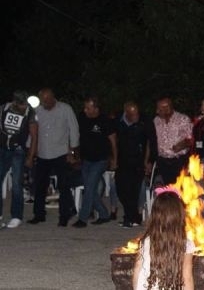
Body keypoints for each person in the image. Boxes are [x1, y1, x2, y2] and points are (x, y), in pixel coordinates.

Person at [27, 88, 79, 226]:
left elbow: (74, 129)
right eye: (43, 100)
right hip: (43, 153)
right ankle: (39, 214)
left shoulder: (65, 109)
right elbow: (33, 132)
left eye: (47, 99)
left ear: (53, 97)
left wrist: (72, 152)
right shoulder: (37, 111)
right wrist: (30, 152)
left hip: (60, 152)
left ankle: (64, 216)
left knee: (63, 186)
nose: (45, 102)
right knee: (39, 186)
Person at [132, 188, 194, 290]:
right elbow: (187, 277)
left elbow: (137, 269)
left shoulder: (146, 240)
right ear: (180, 216)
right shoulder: (186, 244)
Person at [72, 96, 117, 228]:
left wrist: (114, 160)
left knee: (90, 187)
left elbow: (113, 142)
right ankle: (103, 214)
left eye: (88, 108)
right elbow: (77, 136)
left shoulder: (105, 121)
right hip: (86, 159)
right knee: (89, 188)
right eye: (85, 107)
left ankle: (83, 218)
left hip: (100, 160)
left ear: (96, 109)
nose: (85, 110)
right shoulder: (82, 117)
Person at [115, 101, 156, 228]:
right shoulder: (118, 120)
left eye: (137, 113)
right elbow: (113, 139)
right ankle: (134, 217)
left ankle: (130, 217)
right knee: (120, 189)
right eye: (132, 114)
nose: (136, 116)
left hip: (138, 160)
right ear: (126, 113)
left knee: (132, 190)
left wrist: (148, 161)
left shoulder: (145, 121)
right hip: (122, 160)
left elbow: (150, 142)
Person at [0, 91, 38, 228]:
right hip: (2, 149)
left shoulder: (30, 112)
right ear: (15, 103)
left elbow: (34, 136)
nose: (24, 106)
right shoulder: (4, 108)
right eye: (22, 104)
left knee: (17, 183)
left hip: (18, 151)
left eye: (26, 104)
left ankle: (16, 216)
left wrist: (30, 156)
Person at [153, 97, 193, 186]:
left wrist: (182, 145)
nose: (157, 111)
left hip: (179, 161)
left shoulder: (183, 119)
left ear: (168, 108)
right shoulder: (156, 120)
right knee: (166, 189)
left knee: (180, 188)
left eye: (160, 109)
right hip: (162, 162)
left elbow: (191, 139)